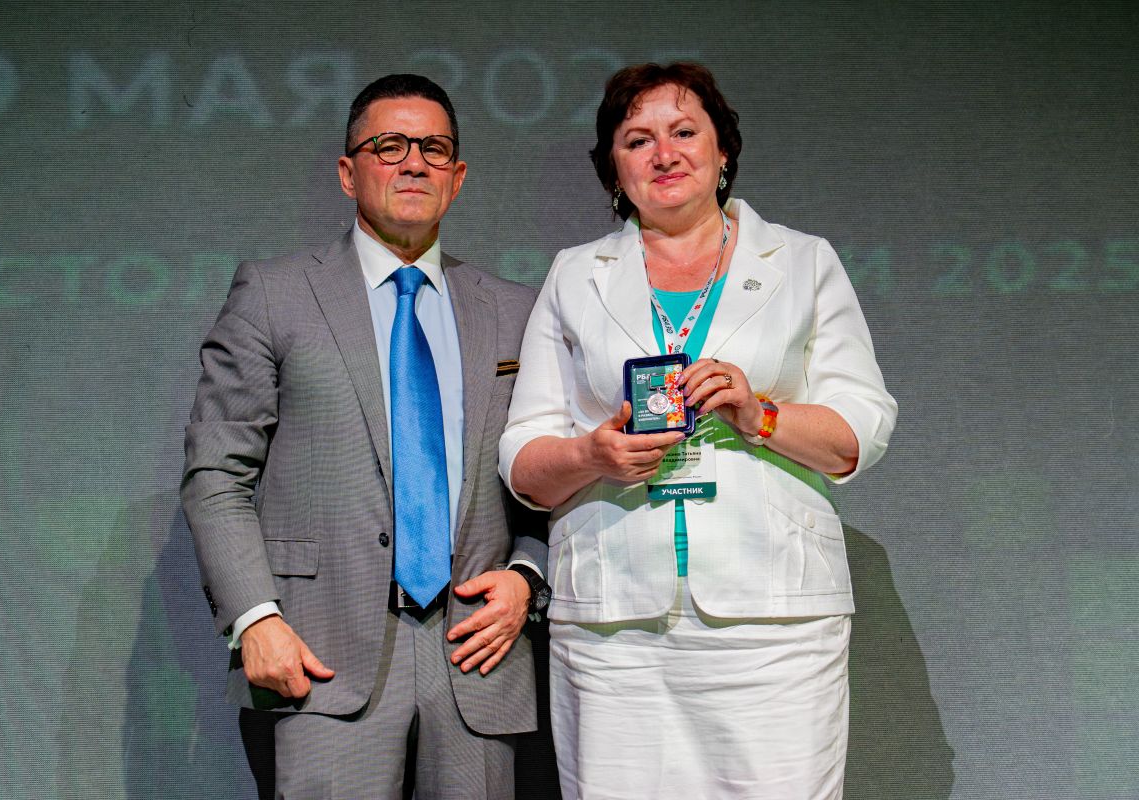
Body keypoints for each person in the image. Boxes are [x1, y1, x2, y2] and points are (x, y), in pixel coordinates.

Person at [499, 62, 898, 799]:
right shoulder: (574, 274)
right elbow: (523, 455)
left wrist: (759, 414)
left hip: (773, 622)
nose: (664, 153)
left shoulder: (802, 262)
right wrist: (592, 453)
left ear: (722, 152)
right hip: (614, 625)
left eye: (684, 132)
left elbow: (860, 430)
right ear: (614, 168)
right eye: (637, 140)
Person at [181, 73, 550, 800]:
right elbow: (217, 473)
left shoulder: (517, 311)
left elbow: (548, 477)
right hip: (318, 654)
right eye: (389, 146)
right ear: (348, 172)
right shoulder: (274, 294)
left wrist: (527, 576)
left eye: (434, 149)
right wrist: (255, 618)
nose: (414, 163)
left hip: (478, 656)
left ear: (458, 177)